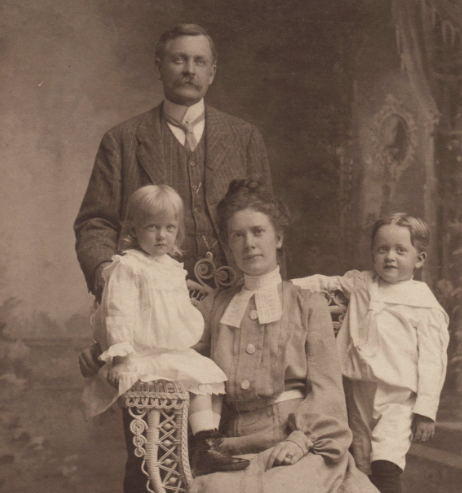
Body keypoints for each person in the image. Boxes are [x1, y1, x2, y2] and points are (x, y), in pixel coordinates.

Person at [188, 179, 378, 493]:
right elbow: (189, 367)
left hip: (297, 441)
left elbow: (326, 387)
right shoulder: (215, 307)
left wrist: (302, 439)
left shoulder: (306, 304)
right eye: (238, 235)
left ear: (278, 237)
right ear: (227, 246)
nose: (249, 243)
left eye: (258, 232)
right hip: (230, 451)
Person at [74, 23, 272, 306]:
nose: (189, 69)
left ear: (212, 72)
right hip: (151, 299)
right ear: (159, 68)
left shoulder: (245, 137)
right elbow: (96, 223)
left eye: (199, 61)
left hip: (236, 297)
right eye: (179, 59)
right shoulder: (121, 140)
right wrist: (107, 274)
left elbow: (269, 223)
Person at [83, 184, 250, 488]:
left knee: (209, 376)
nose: (162, 235)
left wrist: (189, 336)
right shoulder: (128, 266)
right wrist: (121, 358)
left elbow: (177, 313)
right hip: (141, 353)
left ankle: (204, 441)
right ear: (133, 229)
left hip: (170, 351)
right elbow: (118, 312)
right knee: (149, 452)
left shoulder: (172, 266)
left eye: (169, 228)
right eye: (152, 227)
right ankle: (198, 447)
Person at [292, 213, 450, 493]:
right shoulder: (362, 283)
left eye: (401, 250)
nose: (390, 257)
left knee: (386, 461)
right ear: (372, 253)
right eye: (382, 249)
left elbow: (433, 360)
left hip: (398, 397)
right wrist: (286, 287)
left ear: (419, 259)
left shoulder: (424, 304)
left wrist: (426, 411)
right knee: (360, 462)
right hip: (356, 390)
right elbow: (324, 283)